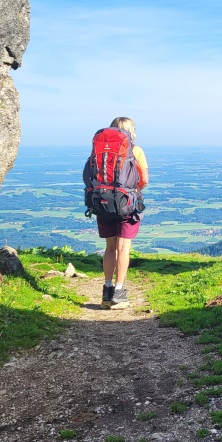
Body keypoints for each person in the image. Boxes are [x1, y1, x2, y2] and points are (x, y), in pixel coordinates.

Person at [98, 116, 149, 309]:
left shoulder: (102, 150)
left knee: (110, 248)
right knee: (123, 248)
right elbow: (144, 179)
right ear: (131, 131)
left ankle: (106, 292)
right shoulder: (136, 150)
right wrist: (134, 189)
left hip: (103, 202)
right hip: (126, 202)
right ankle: (119, 294)